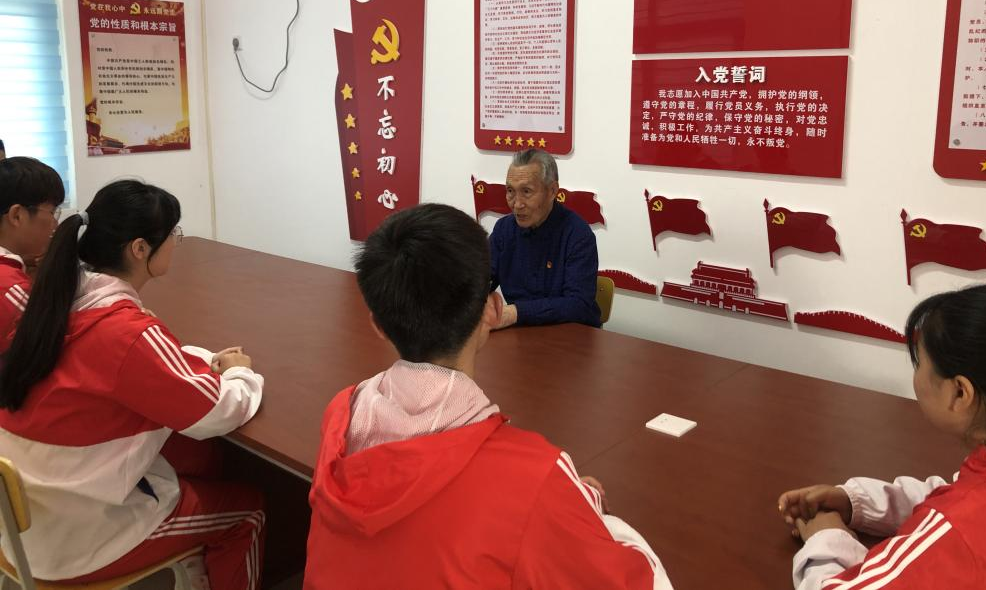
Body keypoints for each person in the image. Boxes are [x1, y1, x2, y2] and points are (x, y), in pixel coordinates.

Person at [304, 203, 672, 589]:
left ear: (378, 325)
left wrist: (554, 497)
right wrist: (578, 506)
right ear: (493, 310)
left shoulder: (341, 413)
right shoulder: (533, 477)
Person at [0, 180, 265, 590]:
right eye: (173, 234)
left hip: (25, 524)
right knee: (248, 509)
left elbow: (136, 364)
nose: (176, 242)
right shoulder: (126, 332)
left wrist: (187, 358)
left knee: (199, 459)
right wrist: (239, 372)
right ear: (140, 249)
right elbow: (217, 411)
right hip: (79, 541)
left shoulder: (57, 304)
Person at [778, 284, 986, 590]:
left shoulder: (964, 526)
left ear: (959, 393)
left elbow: (958, 515)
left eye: (919, 363)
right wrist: (858, 502)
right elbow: (955, 491)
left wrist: (827, 535)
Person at [489, 149, 601, 328]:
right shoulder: (504, 229)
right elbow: (481, 280)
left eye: (526, 191)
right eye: (510, 191)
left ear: (552, 191)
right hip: (519, 334)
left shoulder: (577, 234)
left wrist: (516, 312)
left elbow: (579, 305)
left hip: (568, 335)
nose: (517, 204)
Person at [0, 157, 64, 346]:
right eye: (52, 212)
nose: (55, 224)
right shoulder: (10, 288)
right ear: (17, 216)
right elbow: (57, 347)